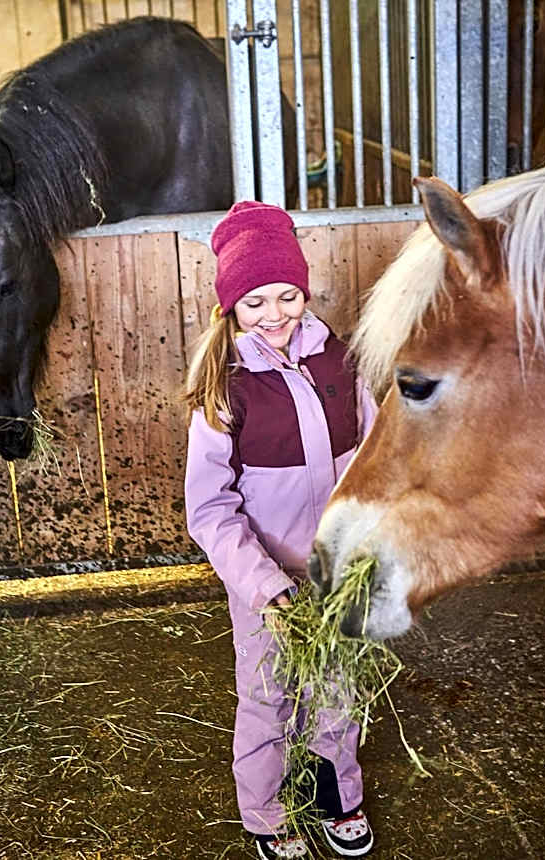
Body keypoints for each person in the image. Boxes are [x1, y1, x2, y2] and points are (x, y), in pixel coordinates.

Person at [183, 200, 377, 859]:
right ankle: (266, 812)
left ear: (304, 291)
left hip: (339, 570)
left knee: (338, 686)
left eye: (288, 296)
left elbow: (377, 458)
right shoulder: (224, 389)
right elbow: (210, 511)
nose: (275, 315)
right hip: (267, 583)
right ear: (232, 308)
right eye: (255, 302)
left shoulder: (341, 362)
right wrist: (266, 588)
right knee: (268, 697)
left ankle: (334, 795)